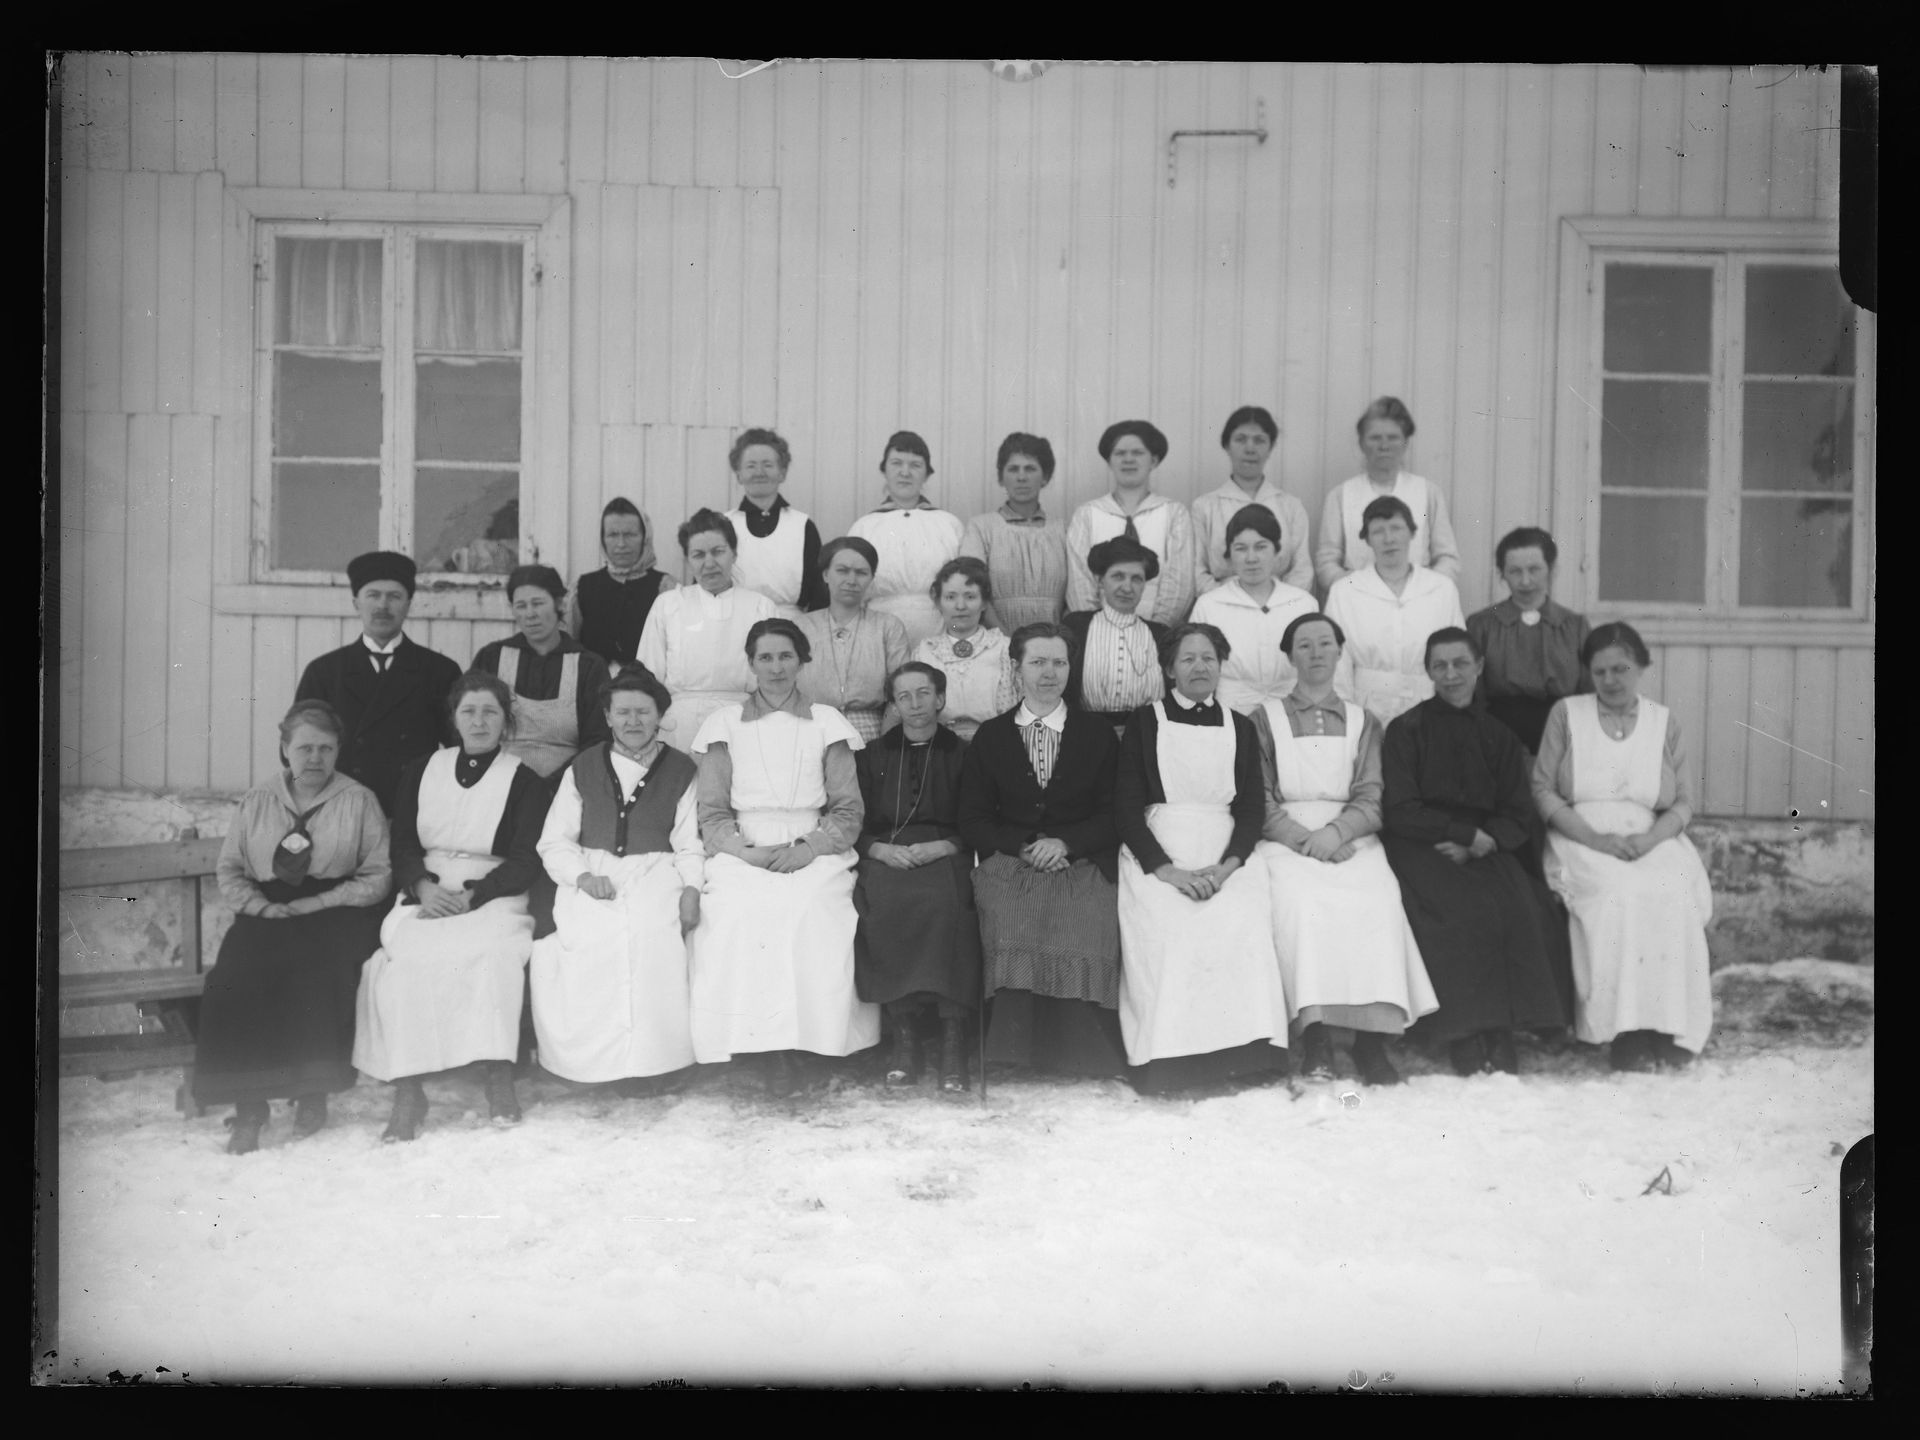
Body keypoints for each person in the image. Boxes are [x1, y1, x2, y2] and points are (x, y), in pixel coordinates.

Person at [352, 673, 550, 1140]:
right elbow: (401, 843)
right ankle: (409, 1089)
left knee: (493, 956)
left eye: (490, 712)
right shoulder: (422, 770)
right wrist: (421, 886)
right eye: (469, 711)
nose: (479, 721)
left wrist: (473, 896)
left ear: (506, 721)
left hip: (493, 894)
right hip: (428, 892)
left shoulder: (524, 781)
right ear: (454, 718)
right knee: (406, 961)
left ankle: (498, 1076)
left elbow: (526, 859)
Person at [689, 619, 879, 1093]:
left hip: (814, 843)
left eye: (786, 656)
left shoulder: (827, 722)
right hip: (744, 846)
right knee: (738, 910)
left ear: (802, 660)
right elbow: (711, 813)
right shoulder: (724, 724)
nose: (775, 668)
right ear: (751, 664)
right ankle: (755, 1043)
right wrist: (745, 852)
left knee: (811, 909)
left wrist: (809, 848)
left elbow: (848, 810)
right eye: (765, 658)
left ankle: (813, 1041)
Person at [193, 701, 390, 1153]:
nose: (314, 758)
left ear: (339, 750)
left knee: (316, 971)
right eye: (304, 748)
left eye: (325, 748)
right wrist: (260, 907)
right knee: (234, 976)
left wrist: (321, 901)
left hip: (334, 911)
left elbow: (378, 875)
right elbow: (230, 869)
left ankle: (311, 1092)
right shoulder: (257, 800)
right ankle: (249, 1106)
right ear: (285, 749)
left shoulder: (358, 800)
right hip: (268, 909)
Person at [1253, 613, 1436, 1086]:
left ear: (1339, 652)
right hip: (1286, 838)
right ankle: (1315, 1036)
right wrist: (1305, 842)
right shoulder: (1264, 719)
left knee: (1376, 899)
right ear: (1290, 656)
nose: (1315, 654)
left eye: (1324, 645)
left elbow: (1372, 798)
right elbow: (1261, 797)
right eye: (1304, 646)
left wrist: (1335, 835)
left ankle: (1370, 1042)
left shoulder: (1362, 720)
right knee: (1302, 903)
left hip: (1350, 836)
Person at [1380, 628, 1567, 1077]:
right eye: (1440, 666)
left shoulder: (1498, 736)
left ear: (1479, 667)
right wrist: (1459, 833)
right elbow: (1400, 808)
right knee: (1455, 912)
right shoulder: (1406, 730)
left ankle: (1501, 1028)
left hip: (1484, 843)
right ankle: (1462, 1033)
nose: (1451, 675)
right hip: (1423, 843)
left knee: (1517, 904)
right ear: (1427, 671)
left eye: (1460, 664)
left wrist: (1486, 841)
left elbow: (1518, 811)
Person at [1115, 624, 1290, 1094]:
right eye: (1188, 658)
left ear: (1221, 665)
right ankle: (1169, 1061)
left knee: (1243, 922)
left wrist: (1228, 866)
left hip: (1224, 853)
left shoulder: (1240, 726)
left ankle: (1246, 1055)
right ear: (1170, 668)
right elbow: (1127, 807)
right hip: (1158, 852)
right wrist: (1168, 871)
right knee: (1173, 929)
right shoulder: (1145, 721)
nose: (1199, 667)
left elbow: (1251, 809)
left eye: (1208, 658)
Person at [1533, 623, 1713, 1072]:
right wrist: (1595, 839)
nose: (1611, 680)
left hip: (1650, 834)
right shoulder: (1566, 713)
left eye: (1621, 669)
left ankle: (1669, 1025)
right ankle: (1625, 1031)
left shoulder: (1662, 721)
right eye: (1600, 672)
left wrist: (1651, 839)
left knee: (1672, 893)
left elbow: (1686, 801)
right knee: (1618, 897)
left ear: (1642, 667)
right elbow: (1542, 789)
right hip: (1582, 833)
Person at [958, 622, 1128, 1077]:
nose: (1048, 673)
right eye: (1037, 662)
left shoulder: (1096, 734)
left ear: (1070, 668)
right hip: (1012, 862)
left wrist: (1067, 843)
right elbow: (973, 818)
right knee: (1012, 916)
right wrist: (1022, 845)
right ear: (1017, 669)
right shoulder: (992, 737)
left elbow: (1115, 812)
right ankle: (1012, 1052)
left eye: (1058, 662)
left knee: (1085, 917)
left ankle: (1081, 1052)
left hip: (1081, 860)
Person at [531, 669, 704, 1091]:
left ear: (660, 715)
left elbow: (689, 843)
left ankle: (656, 1062)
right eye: (622, 712)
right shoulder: (584, 766)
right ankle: (595, 1066)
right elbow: (554, 840)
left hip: (657, 870)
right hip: (593, 870)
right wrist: (583, 877)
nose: (633, 721)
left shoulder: (681, 769)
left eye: (643, 712)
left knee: (651, 935)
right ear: (607, 716)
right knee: (594, 936)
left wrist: (691, 890)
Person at [853, 661, 983, 1093]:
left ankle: (951, 1037)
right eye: (903, 696)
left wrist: (947, 846)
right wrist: (878, 849)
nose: (915, 704)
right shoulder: (873, 756)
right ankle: (904, 1036)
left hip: (947, 851)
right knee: (885, 904)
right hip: (887, 853)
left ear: (941, 699)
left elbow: (979, 817)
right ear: (892, 704)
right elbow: (856, 821)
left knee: (947, 906)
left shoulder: (965, 753)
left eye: (924, 693)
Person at [294, 551, 461, 815]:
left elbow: (459, 748)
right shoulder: (324, 672)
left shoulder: (440, 671)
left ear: (409, 604)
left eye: (394, 596)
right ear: (355, 603)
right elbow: (296, 749)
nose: (383, 606)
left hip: (413, 809)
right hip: (340, 808)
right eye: (373, 595)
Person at [636, 509, 780, 751]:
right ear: (688, 559)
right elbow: (648, 675)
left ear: (734, 553)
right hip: (679, 726)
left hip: (744, 722)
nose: (709, 563)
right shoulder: (669, 605)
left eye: (718, 552)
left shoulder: (760, 606)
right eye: (698, 555)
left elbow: (775, 676)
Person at [1325, 496, 1466, 724]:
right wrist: (1347, 719)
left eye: (1396, 528)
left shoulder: (1441, 588)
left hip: (1428, 708)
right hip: (1366, 710)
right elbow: (1337, 663)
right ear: (1367, 539)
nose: (1389, 539)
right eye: (1378, 531)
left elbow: (1456, 652)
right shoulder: (1345, 591)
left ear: (1412, 533)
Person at [471, 565, 614, 780]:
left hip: (566, 789)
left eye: (538, 603)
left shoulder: (588, 666)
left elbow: (597, 742)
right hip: (497, 783)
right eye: (521, 606)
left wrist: (553, 786)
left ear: (559, 604)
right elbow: (471, 724)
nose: (530, 614)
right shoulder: (492, 658)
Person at [1467, 526, 1592, 756]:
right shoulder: (1481, 625)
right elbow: (1473, 694)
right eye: (1515, 571)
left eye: (1534, 569)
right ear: (1501, 573)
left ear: (1552, 570)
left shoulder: (1574, 626)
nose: (1525, 581)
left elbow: (1588, 691)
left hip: (1562, 735)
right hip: (1498, 736)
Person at [1315, 396, 1463, 590]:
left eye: (1393, 437)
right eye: (1375, 438)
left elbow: (1447, 558)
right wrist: (1354, 588)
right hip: (1358, 600)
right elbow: (1327, 561)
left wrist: (1425, 589)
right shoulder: (1340, 496)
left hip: (1418, 598)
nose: (1384, 446)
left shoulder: (1428, 492)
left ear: (1405, 443)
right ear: (1361, 443)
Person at [1065, 420, 1198, 626]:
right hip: (1097, 633)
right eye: (1119, 453)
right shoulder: (1087, 514)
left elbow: (1180, 582)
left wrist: (1157, 630)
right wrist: (1096, 629)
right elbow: (1079, 581)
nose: (1128, 459)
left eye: (1137, 453)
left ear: (1153, 461)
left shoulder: (1174, 513)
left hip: (1158, 631)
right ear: (1109, 461)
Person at [1188, 504, 1318, 714]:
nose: (1251, 558)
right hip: (1230, 712)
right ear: (1229, 554)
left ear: (1276, 550)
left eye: (1260, 547)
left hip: (1294, 712)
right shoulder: (1209, 605)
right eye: (1241, 549)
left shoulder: (1303, 603)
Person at [847, 431, 966, 649]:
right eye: (896, 463)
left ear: (927, 474)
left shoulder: (949, 524)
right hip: (878, 633)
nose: (905, 472)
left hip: (938, 632)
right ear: (884, 470)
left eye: (915, 465)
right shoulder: (864, 526)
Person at [796, 536, 912, 743]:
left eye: (861, 573)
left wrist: (885, 742)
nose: (851, 580)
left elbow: (901, 689)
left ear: (871, 578)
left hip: (872, 731)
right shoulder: (801, 627)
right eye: (842, 570)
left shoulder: (888, 626)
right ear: (825, 575)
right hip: (810, 728)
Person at [1191, 406, 1315, 593]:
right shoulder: (1205, 507)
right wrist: (1226, 601)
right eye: (1240, 440)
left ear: (1271, 447)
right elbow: (1197, 571)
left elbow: (1302, 570)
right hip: (1221, 605)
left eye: (1259, 440)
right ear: (1227, 446)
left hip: (1279, 608)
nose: (1250, 448)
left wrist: (1276, 604)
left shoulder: (1290, 506)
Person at [958, 432, 1071, 632]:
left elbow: (1074, 595)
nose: (1021, 477)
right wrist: (1007, 641)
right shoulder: (981, 528)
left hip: (1053, 643)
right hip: (998, 639)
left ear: (1045, 477)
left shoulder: (1063, 530)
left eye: (1030, 469)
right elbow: (972, 589)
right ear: (1001, 478)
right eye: (1013, 469)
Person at [1064, 537, 1169, 735]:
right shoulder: (1076, 627)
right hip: (1087, 736)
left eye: (1136, 579)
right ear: (1100, 580)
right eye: (1118, 576)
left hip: (1147, 737)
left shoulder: (1161, 635)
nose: (1127, 588)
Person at [724, 427, 828, 618]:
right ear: (738, 474)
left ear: (782, 472)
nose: (759, 472)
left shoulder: (803, 526)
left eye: (768, 465)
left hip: (791, 627)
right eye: (751, 465)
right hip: (735, 624)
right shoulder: (723, 525)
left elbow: (819, 591)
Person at [568, 498, 677, 676]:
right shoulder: (582, 587)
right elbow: (569, 644)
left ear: (645, 537)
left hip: (647, 691)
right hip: (593, 690)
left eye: (630, 535)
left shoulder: (666, 588)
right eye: (612, 535)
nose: (621, 544)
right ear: (602, 538)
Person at [915, 557, 1017, 742]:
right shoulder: (924, 653)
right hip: (938, 749)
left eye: (970, 596)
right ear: (938, 602)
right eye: (950, 597)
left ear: (984, 603)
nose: (960, 606)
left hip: (996, 745)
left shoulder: (1005, 648)